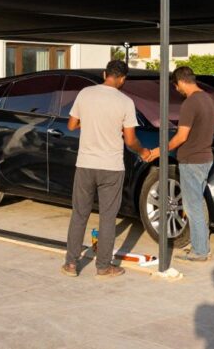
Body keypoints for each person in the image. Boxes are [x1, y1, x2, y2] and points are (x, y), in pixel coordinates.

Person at [62, 60, 153, 278]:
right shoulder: (125, 102)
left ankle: (71, 264)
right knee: (107, 218)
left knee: (79, 215)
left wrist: (91, 122)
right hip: (111, 167)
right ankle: (103, 267)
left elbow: (72, 125)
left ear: (105, 74)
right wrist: (143, 152)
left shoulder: (85, 93)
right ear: (123, 79)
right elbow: (130, 140)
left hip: (85, 164)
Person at [147, 66, 214, 261]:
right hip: (205, 158)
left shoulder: (190, 103)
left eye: (176, 86)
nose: (177, 90)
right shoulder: (207, 98)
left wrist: (160, 150)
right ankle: (202, 246)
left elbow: (181, 136)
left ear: (180, 82)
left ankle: (200, 251)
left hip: (192, 160)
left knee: (192, 206)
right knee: (198, 204)